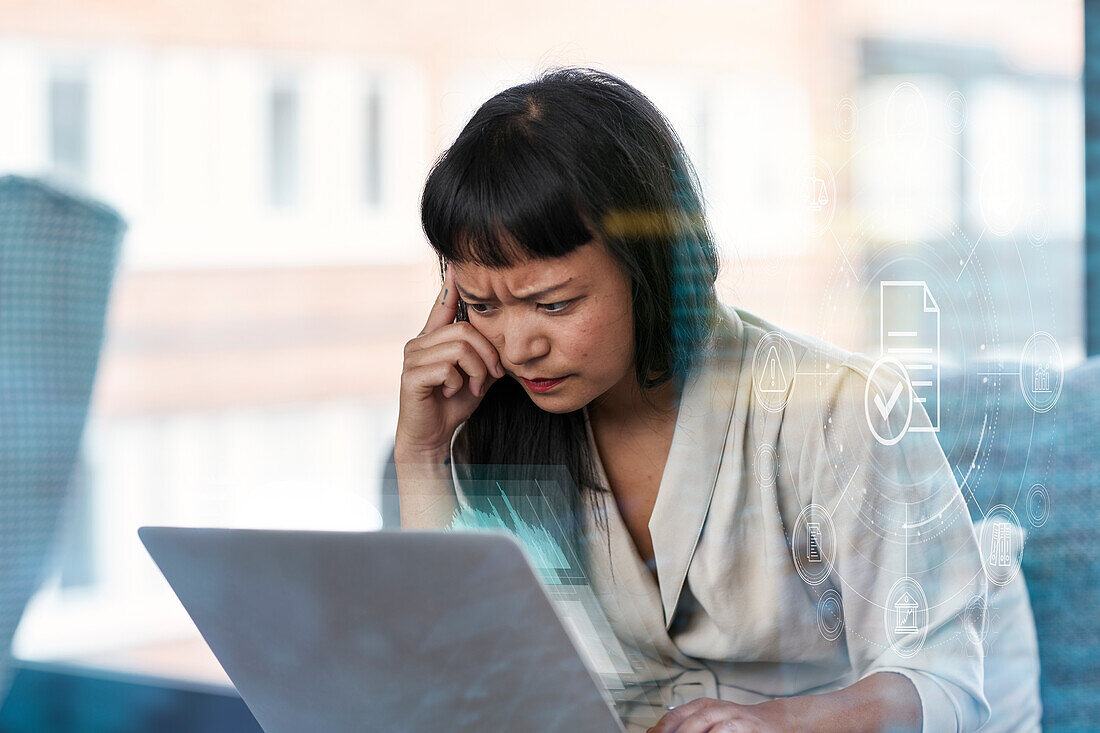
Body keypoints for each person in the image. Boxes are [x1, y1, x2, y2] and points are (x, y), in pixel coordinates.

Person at [395, 67, 988, 732]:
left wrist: (782, 722)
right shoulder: (496, 421)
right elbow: (451, 686)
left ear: (654, 264)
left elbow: (944, 684)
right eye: (480, 305)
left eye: (553, 304)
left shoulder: (839, 410)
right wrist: (421, 455)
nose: (517, 344)